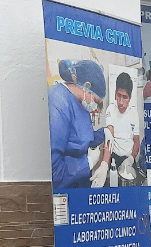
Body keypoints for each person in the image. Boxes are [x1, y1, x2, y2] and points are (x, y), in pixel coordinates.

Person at [48, 59, 106, 190]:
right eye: (95, 100)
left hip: (81, 182)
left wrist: (103, 133)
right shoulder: (58, 102)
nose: (95, 106)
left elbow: (80, 138)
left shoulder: (79, 103)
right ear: (86, 86)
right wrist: (87, 163)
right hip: (66, 188)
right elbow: (54, 171)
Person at [92, 72, 140, 188]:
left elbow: (136, 141)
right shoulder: (111, 110)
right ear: (114, 94)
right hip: (114, 157)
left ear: (130, 98)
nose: (121, 102)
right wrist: (104, 164)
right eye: (119, 95)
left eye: (125, 97)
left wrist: (131, 158)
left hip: (129, 159)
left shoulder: (134, 113)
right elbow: (110, 136)